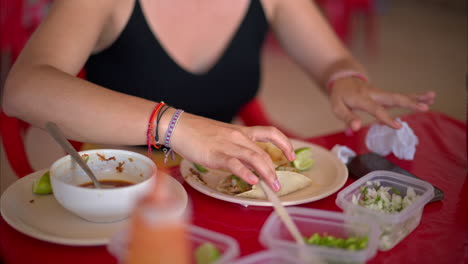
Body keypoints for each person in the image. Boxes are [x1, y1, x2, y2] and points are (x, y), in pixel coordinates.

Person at [2, 0, 435, 192]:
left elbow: (331, 61)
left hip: (218, 185)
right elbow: (23, 89)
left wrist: (345, 78)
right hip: (122, 189)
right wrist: (176, 126)